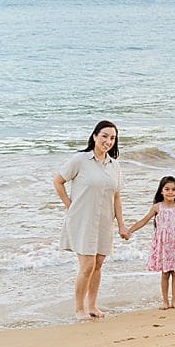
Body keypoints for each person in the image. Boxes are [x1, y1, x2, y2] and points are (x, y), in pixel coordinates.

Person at [53, 120, 129, 320]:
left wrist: (121, 224)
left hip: (105, 221)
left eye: (112, 138)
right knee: (87, 265)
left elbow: (117, 197)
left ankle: (93, 306)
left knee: (98, 265)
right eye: (104, 136)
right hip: (83, 220)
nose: (108, 141)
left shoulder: (115, 165)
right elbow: (58, 181)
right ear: (95, 136)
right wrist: (70, 205)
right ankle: (79, 309)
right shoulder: (80, 160)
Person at [126, 175, 175, 309]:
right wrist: (130, 230)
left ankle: (174, 300)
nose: (170, 192)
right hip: (163, 244)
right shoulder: (157, 207)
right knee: (165, 273)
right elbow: (144, 221)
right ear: (161, 191)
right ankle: (165, 301)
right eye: (167, 189)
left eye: (174, 189)